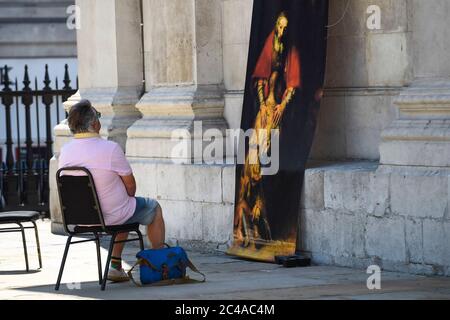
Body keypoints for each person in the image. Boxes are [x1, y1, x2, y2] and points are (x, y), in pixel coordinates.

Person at [59, 99, 165, 282]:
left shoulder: (66, 151)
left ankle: (115, 266)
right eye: (98, 116)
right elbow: (131, 186)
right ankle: (160, 265)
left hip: (79, 218)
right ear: (94, 123)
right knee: (152, 208)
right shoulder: (110, 149)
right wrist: (124, 196)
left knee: (122, 205)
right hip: (112, 215)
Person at [234, 11, 301, 248]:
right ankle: (246, 223)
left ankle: (264, 216)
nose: (281, 32)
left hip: (276, 113)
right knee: (252, 160)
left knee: (266, 161)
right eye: (279, 28)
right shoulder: (269, 49)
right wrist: (263, 105)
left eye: (284, 28)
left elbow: (292, 83)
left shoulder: (288, 54)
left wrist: (282, 105)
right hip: (265, 111)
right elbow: (261, 78)